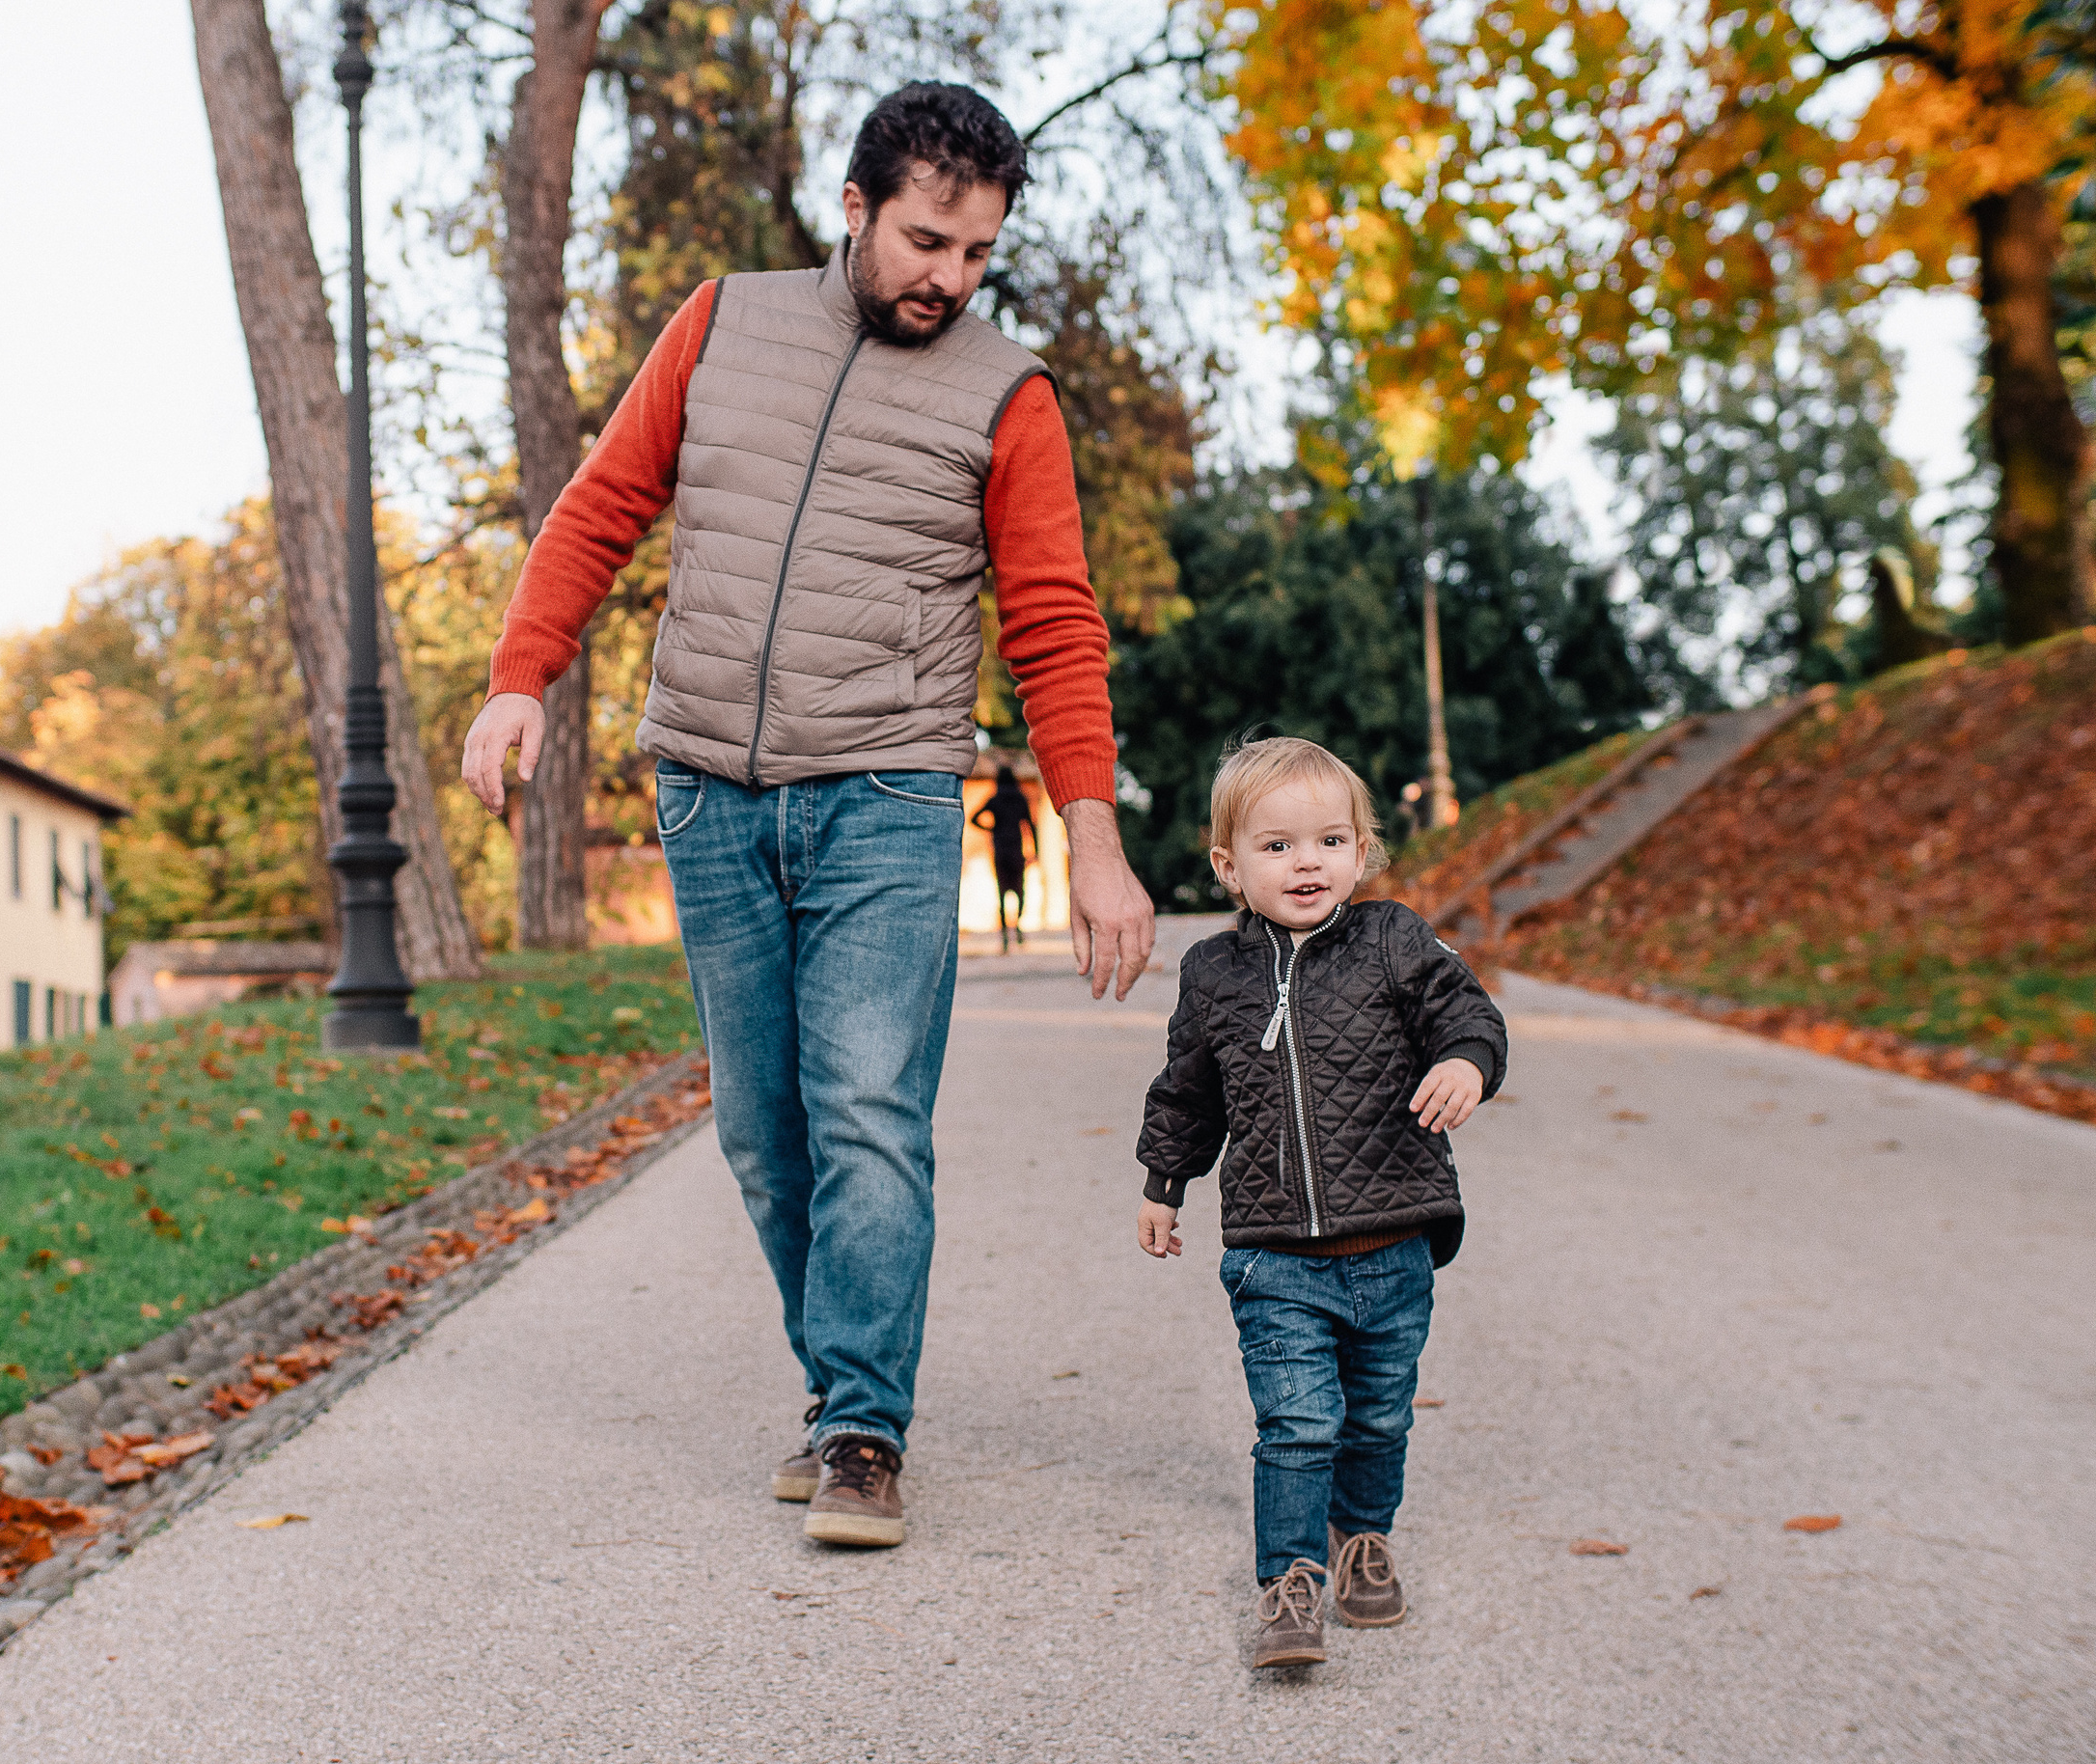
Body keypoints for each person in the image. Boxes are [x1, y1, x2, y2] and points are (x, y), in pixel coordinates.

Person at [461, 82, 1155, 1549]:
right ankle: (841, 1385)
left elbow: (1051, 622)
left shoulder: (1006, 394)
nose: (949, 280)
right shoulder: (722, 323)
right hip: (709, 791)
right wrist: (521, 677)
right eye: (926, 242)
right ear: (853, 210)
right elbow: (599, 507)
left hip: (891, 797)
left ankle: (858, 1430)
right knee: (764, 1137)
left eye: (977, 255)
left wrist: (1093, 839)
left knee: (867, 1119)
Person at [1134, 736, 1506, 1666]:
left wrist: (1466, 1060)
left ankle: (1361, 1537)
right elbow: (1188, 1091)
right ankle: (1289, 1580)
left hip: (1395, 1242)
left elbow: (1469, 1013)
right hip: (1272, 1254)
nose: (1308, 862)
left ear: (1361, 850)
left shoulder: (1395, 941)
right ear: (1228, 865)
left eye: (1330, 841)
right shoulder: (1213, 974)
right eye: (1277, 846)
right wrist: (1164, 1184)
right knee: (1298, 1423)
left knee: (1379, 1415)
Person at [970, 763, 1038, 951]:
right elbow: (1030, 826)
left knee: (1001, 893)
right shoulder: (1020, 799)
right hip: (1017, 850)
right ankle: (1017, 927)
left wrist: (990, 828)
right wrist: (1035, 851)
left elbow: (974, 818)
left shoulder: (995, 799)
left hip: (1000, 850)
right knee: (1020, 891)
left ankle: (1005, 938)